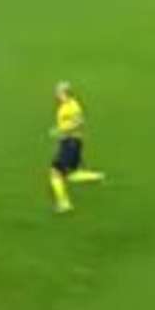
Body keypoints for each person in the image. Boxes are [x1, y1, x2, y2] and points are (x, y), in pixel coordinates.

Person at [46, 81, 107, 214]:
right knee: (71, 175)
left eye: (58, 92)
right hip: (69, 142)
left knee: (55, 173)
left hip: (71, 142)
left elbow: (79, 122)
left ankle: (64, 204)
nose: (55, 95)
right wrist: (61, 131)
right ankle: (97, 177)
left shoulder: (73, 106)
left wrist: (60, 130)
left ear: (64, 93)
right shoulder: (64, 106)